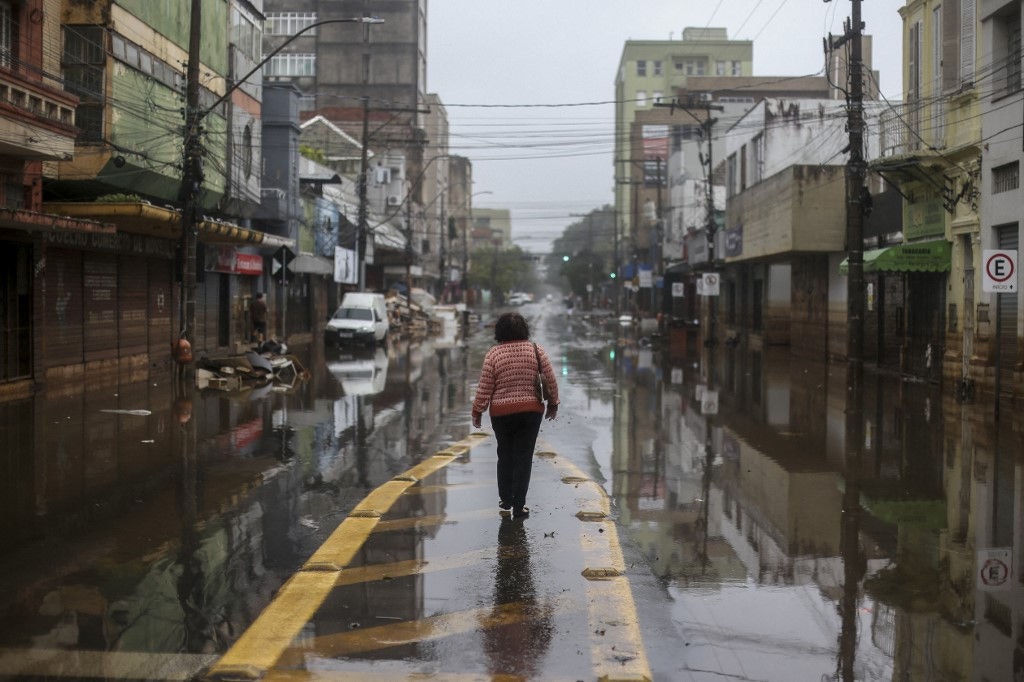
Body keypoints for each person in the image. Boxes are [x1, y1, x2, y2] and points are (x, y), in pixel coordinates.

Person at [471, 312, 559, 519]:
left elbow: (485, 387)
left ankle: (506, 499)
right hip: (531, 412)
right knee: (524, 458)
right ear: (524, 330)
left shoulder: (494, 354)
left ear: (499, 331)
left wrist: (477, 411)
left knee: (505, 455)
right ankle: (520, 506)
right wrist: (553, 403)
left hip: (502, 415)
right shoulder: (536, 350)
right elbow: (551, 380)